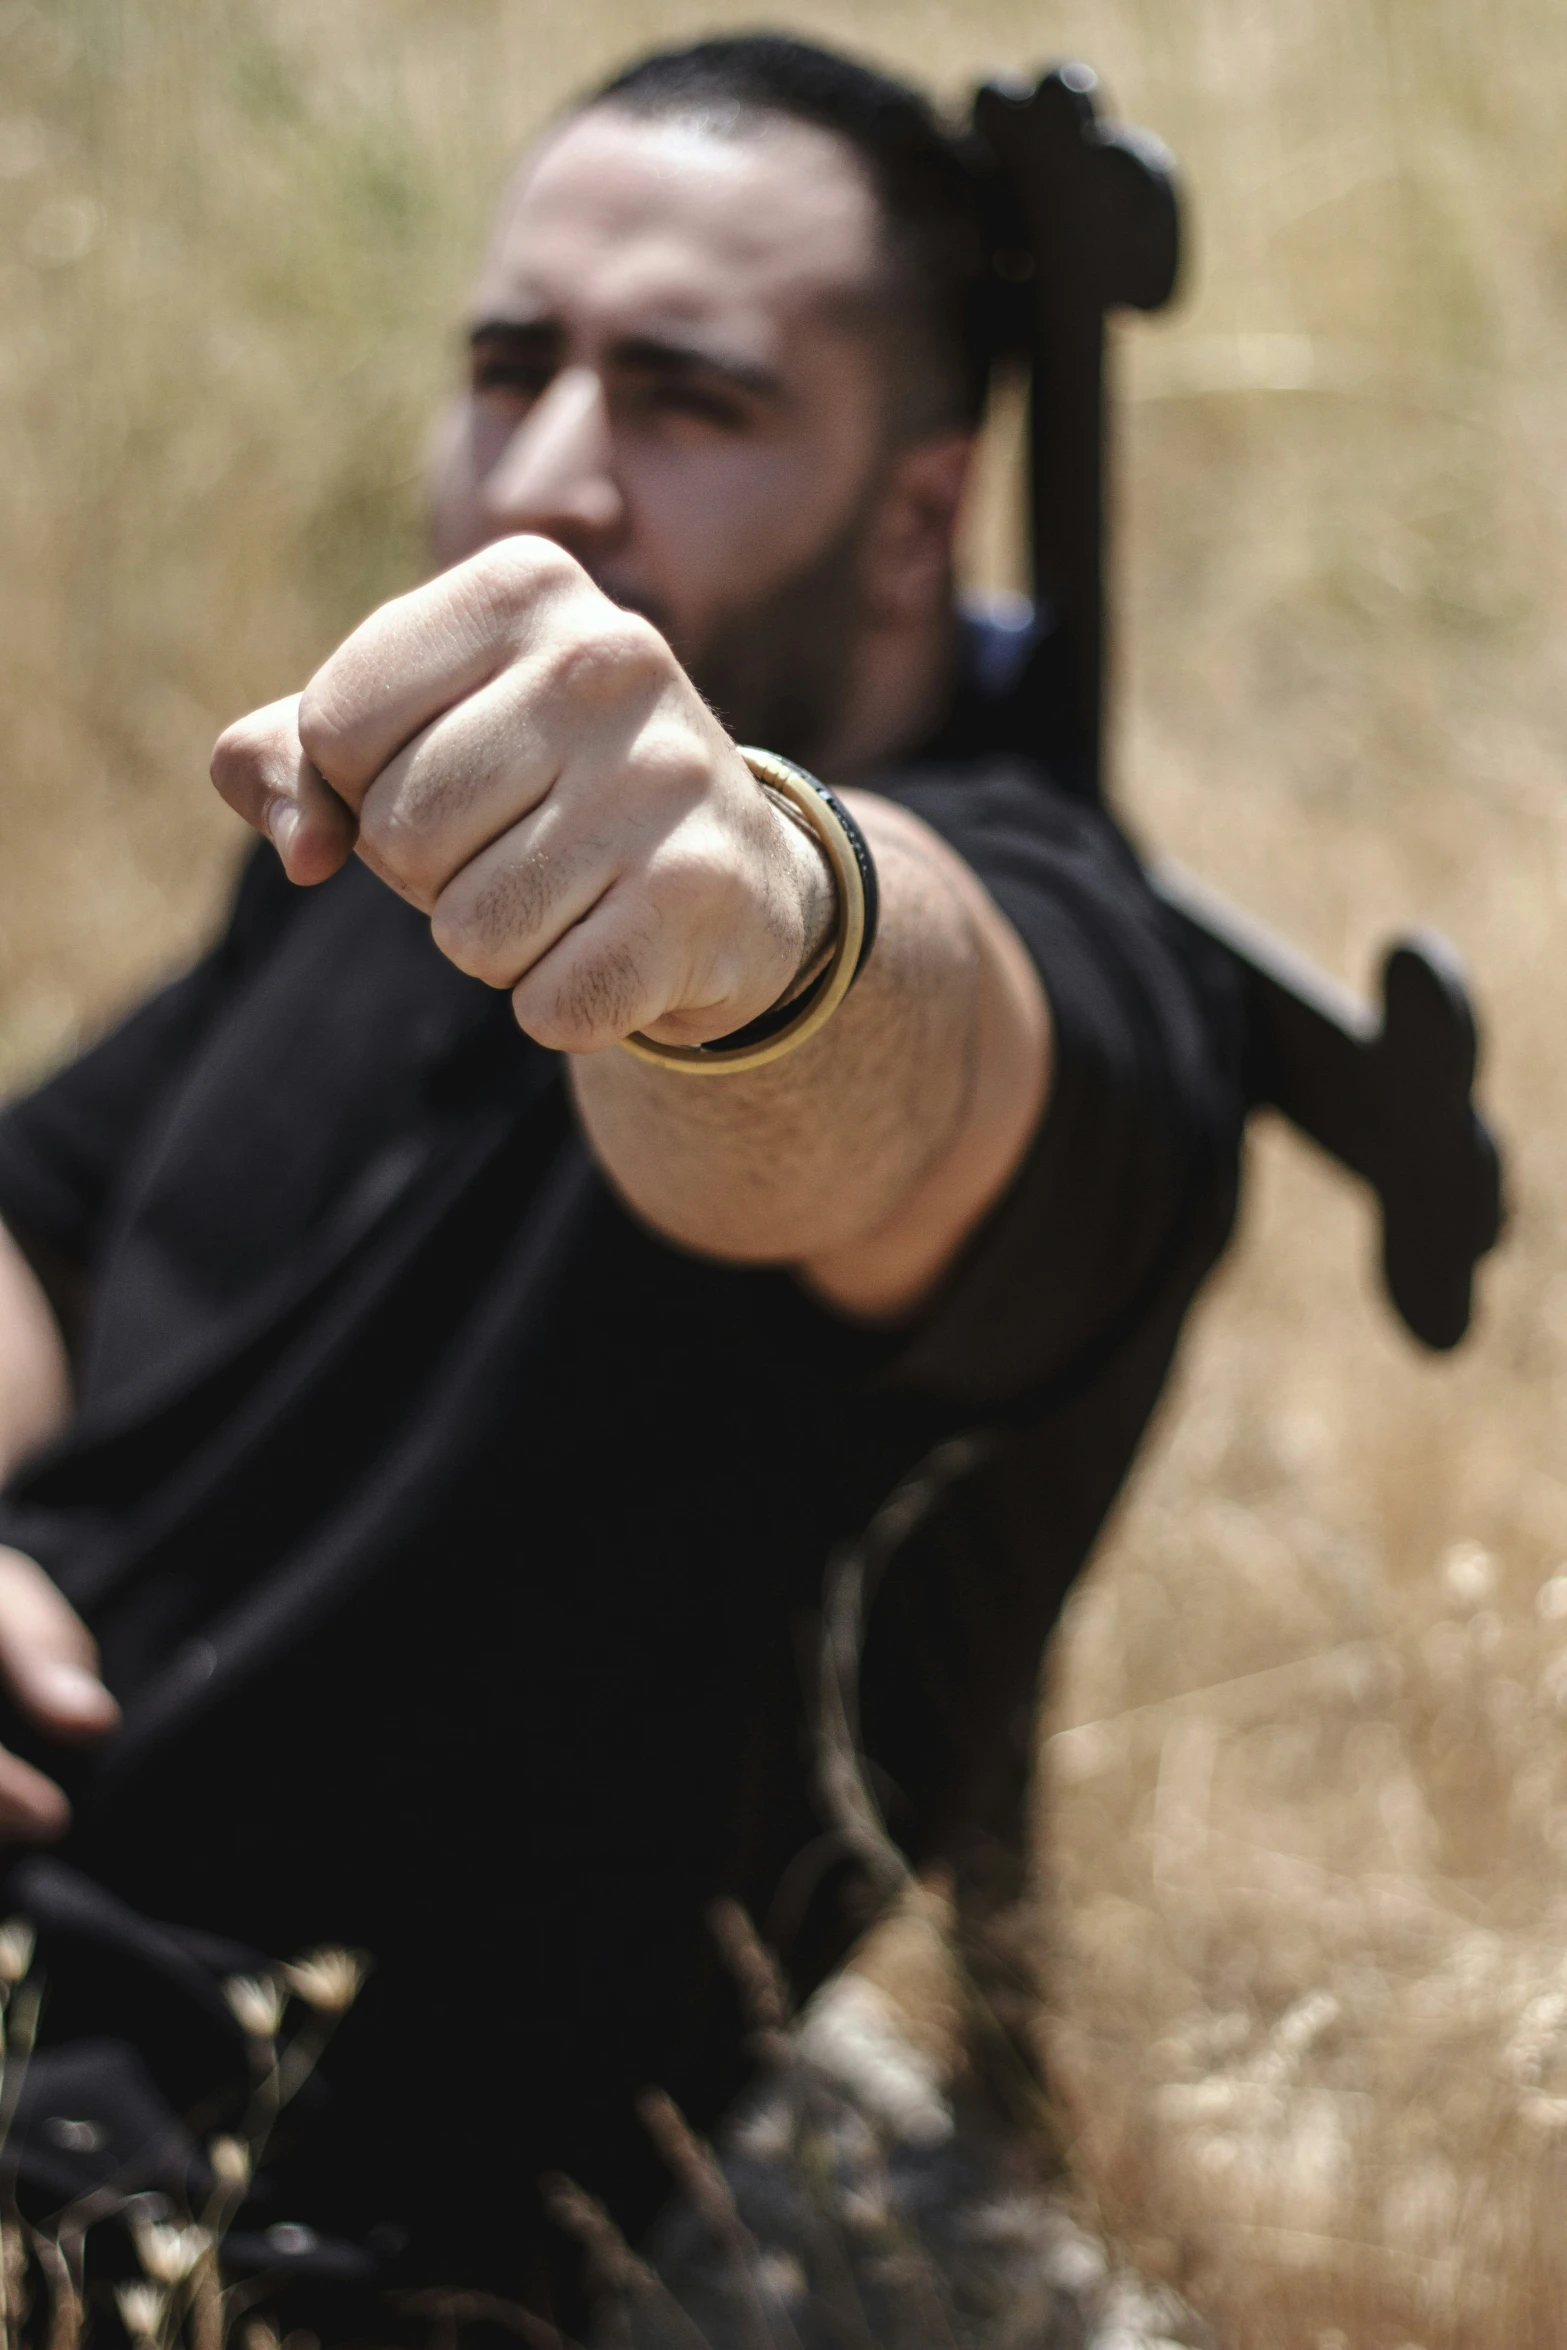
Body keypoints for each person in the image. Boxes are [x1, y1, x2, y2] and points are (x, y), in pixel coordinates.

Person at [0, 33, 1243, 2322]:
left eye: (688, 397)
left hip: (180, 2182)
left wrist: (760, 922)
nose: (548, 473)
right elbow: (45, 1209)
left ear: (909, 517)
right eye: (509, 363)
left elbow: (915, 1064)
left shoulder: (1076, 966)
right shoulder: (382, 830)